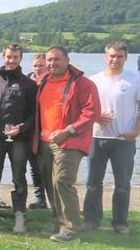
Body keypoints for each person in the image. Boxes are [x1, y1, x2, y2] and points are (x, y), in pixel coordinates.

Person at [33, 46, 100, 243]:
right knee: (50, 184)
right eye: (50, 60)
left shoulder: (83, 84)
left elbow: (92, 112)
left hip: (70, 141)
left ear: (67, 59)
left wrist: (67, 131)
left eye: (57, 59)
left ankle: (71, 228)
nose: (53, 63)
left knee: (62, 182)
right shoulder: (41, 81)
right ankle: (57, 222)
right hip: (45, 141)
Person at [0, 44, 37, 233]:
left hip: (19, 139)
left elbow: (33, 114)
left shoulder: (29, 84)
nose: (11, 60)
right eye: (8, 57)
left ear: (21, 58)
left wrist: (21, 128)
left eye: (15, 57)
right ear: (3, 57)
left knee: (19, 178)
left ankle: (20, 217)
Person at [84, 41, 138, 235]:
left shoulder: (134, 79)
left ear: (126, 58)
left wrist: (136, 132)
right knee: (92, 182)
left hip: (123, 139)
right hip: (95, 137)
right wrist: (96, 116)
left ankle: (120, 221)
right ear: (105, 57)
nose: (115, 60)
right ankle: (91, 219)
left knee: (122, 184)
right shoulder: (94, 80)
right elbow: (85, 109)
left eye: (119, 56)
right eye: (112, 56)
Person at [27, 53, 48, 209]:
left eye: (41, 65)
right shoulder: (27, 80)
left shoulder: (50, 81)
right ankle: (40, 198)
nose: (38, 68)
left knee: (48, 166)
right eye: (35, 65)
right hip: (30, 129)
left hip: (46, 129)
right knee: (34, 166)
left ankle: (53, 197)